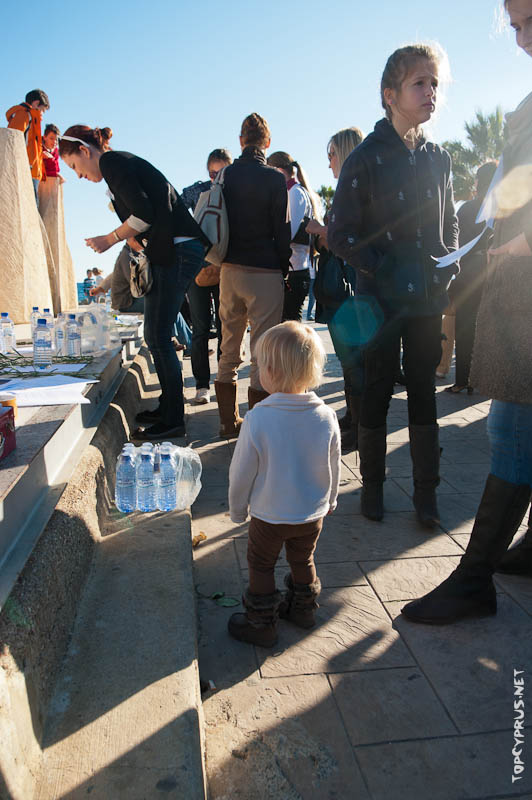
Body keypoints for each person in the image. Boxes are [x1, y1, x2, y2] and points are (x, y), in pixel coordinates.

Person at [402, 0, 532, 624]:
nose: (520, 35)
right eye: (513, 23)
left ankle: (474, 578)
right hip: (517, 286)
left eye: (530, 19)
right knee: (516, 424)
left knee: (511, 430)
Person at [328, 44, 459, 528]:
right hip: (378, 301)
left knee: (424, 387)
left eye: (435, 84)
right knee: (378, 387)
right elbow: (340, 233)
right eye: (419, 83)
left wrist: (450, 265)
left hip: (426, 300)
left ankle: (427, 495)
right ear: (390, 94)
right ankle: (373, 490)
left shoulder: (440, 159)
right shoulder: (365, 157)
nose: (430, 93)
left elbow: (450, 228)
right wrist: (383, 269)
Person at [59, 125, 209, 441]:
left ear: (85, 151)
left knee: (157, 333)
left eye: (74, 166)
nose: (79, 176)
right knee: (157, 333)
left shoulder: (112, 163)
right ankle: (168, 408)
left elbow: (145, 214)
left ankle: (172, 419)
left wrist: (109, 239)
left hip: (180, 249)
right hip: (177, 249)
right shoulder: (118, 167)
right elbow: (148, 216)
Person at [227, 321, 340, 647]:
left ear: (271, 371)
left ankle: (261, 624)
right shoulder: (326, 415)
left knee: (261, 565)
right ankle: (304, 611)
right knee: (302, 560)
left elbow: (241, 472)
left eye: (260, 365)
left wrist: (237, 510)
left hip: (270, 516)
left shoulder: (259, 418)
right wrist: (330, 499)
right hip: (311, 516)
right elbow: (334, 461)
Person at [214, 113, 291, 437]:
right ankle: (257, 426)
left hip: (230, 270)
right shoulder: (275, 179)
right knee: (262, 351)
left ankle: (228, 423)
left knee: (228, 348)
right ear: (267, 143)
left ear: (241, 141)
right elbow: (282, 230)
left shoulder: (226, 175)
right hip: (265, 271)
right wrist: (284, 266)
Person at [307, 127, 365, 451]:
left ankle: (359, 424)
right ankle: (353, 417)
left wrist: (319, 229)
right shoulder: (349, 188)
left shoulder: (355, 189)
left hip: (350, 290)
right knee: (349, 360)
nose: (328, 161)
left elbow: (345, 238)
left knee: (355, 360)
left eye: (331, 154)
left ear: (342, 153)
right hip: (344, 290)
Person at [182, 148, 232, 405]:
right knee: (200, 328)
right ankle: (202, 385)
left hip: (226, 268)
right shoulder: (197, 190)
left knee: (226, 327)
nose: (216, 178)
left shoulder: (236, 192)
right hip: (199, 269)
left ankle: (225, 380)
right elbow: (178, 207)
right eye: (213, 172)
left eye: (222, 172)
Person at [444, 161, 498, 393]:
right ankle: (489, 380)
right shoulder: (503, 210)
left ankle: (463, 380)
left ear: (479, 181)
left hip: (467, 276)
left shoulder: (468, 209)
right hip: (495, 273)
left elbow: (455, 242)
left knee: (466, 329)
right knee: (492, 328)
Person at [266, 151, 322, 322]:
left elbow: (287, 233)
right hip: (296, 270)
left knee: (290, 328)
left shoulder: (295, 193)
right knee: (289, 327)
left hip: (295, 271)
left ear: (278, 170)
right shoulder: (294, 191)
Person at [6, 89, 50, 203]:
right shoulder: (24, 114)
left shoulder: (32, 118)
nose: (42, 114)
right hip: (26, 169)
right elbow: (13, 140)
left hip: (32, 169)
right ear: (36, 103)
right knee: (29, 206)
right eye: (43, 110)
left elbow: (30, 143)